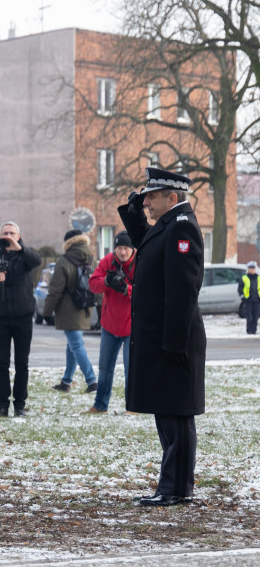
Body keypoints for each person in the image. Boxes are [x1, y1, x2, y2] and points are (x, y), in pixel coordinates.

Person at [119, 166, 206, 507]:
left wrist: (174, 341)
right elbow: (146, 241)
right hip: (164, 338)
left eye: (150, 197)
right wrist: (132, 215)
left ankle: (176, 489)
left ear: (172, 197)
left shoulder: (182, 229)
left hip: (175, 339)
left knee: (176, 415)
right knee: (166, 413)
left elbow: (183, 291)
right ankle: (169, 486)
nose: (146, 203)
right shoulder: (168, 227)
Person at [0, 221, 42, 417]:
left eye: (12, 233)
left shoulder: (25, 255)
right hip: (1, 316)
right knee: (1, 363)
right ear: (0, 236)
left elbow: (37, 261)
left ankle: (20, 405)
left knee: (22, 362)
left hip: (23, 315)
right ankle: (2, 405)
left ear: (18, 235)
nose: (8, 236)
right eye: (5, 233)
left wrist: (20, 248)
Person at [85, 231, 135, 414]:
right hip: (110, 324)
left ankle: (133, 406)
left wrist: (126, 289)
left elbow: (147, 291)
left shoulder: (140, 262)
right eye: (119, 248)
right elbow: (93, 284)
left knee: (132, 368)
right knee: (105, 368)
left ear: (132, 249)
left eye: (126, 248)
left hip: (132, 326)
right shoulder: (107, 261)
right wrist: (107, 281)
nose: (122, 252)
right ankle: (100, 405)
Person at [44, 229, 98, 394]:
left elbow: (55, 290)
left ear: (68, 243)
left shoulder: (63, 261)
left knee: (76, 345)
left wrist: (47, 312)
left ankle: (92, 380)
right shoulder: (92, 259)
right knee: (72, 346)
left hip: (69, 310)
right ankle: (66, 381)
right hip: (85, 307)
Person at [237, 261, 260, 334]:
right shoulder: (244, 278)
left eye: (253, 268)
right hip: (248, 300)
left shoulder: (258, 278)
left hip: (257, 300)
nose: (252, 270)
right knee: (249, 316)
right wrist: (243, 297)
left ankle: (254, 330)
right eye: (251, 268)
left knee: (256, 316)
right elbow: (240, 289)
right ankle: (249, 330)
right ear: (248, 269)